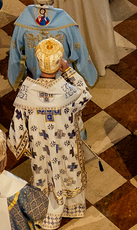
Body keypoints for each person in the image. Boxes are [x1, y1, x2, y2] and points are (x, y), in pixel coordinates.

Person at [8, 37, 91, 227]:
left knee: (45, 176)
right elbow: (85, 93)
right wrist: (69, 71)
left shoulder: (26, 92)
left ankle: (47, 214)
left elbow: (17, 131)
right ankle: (72, 207)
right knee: (68, 170)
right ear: (59, 63)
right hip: (65, 146)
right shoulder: (68, 92)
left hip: (41, 149)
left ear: (38, 62)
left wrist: (26, 147)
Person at [8, 0, 98, 88]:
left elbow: (15, 52)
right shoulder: (66, 22)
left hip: (36, 73)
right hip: (61, 72)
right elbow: (79, 48)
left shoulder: (23, 23)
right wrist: (88, 73)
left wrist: (15, 76)